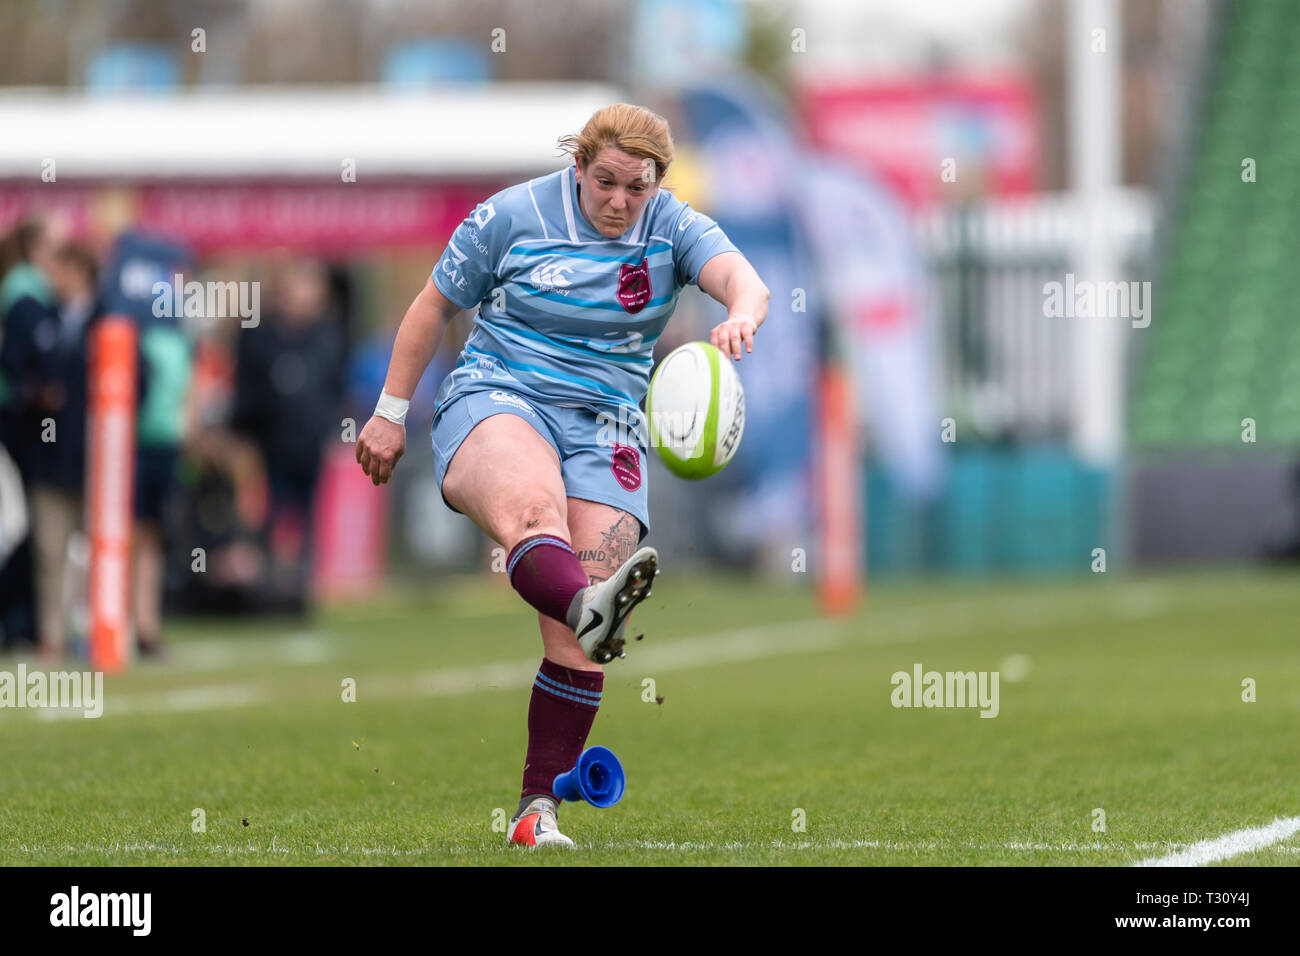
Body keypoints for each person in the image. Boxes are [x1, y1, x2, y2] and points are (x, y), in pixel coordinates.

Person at [354, 103, 770, 847]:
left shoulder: (671, 226)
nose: (618, 200)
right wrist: (389, 411)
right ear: (578, 167)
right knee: (532, 515)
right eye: (604, 181)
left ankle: (535, 813)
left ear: (658, 183)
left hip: (606, 426)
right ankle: (590, 605)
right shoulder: (509, 217)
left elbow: (745, 278)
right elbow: (430, 307)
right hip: (500, 395)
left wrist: (739, 312)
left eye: (635, 188)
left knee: (577, 639)